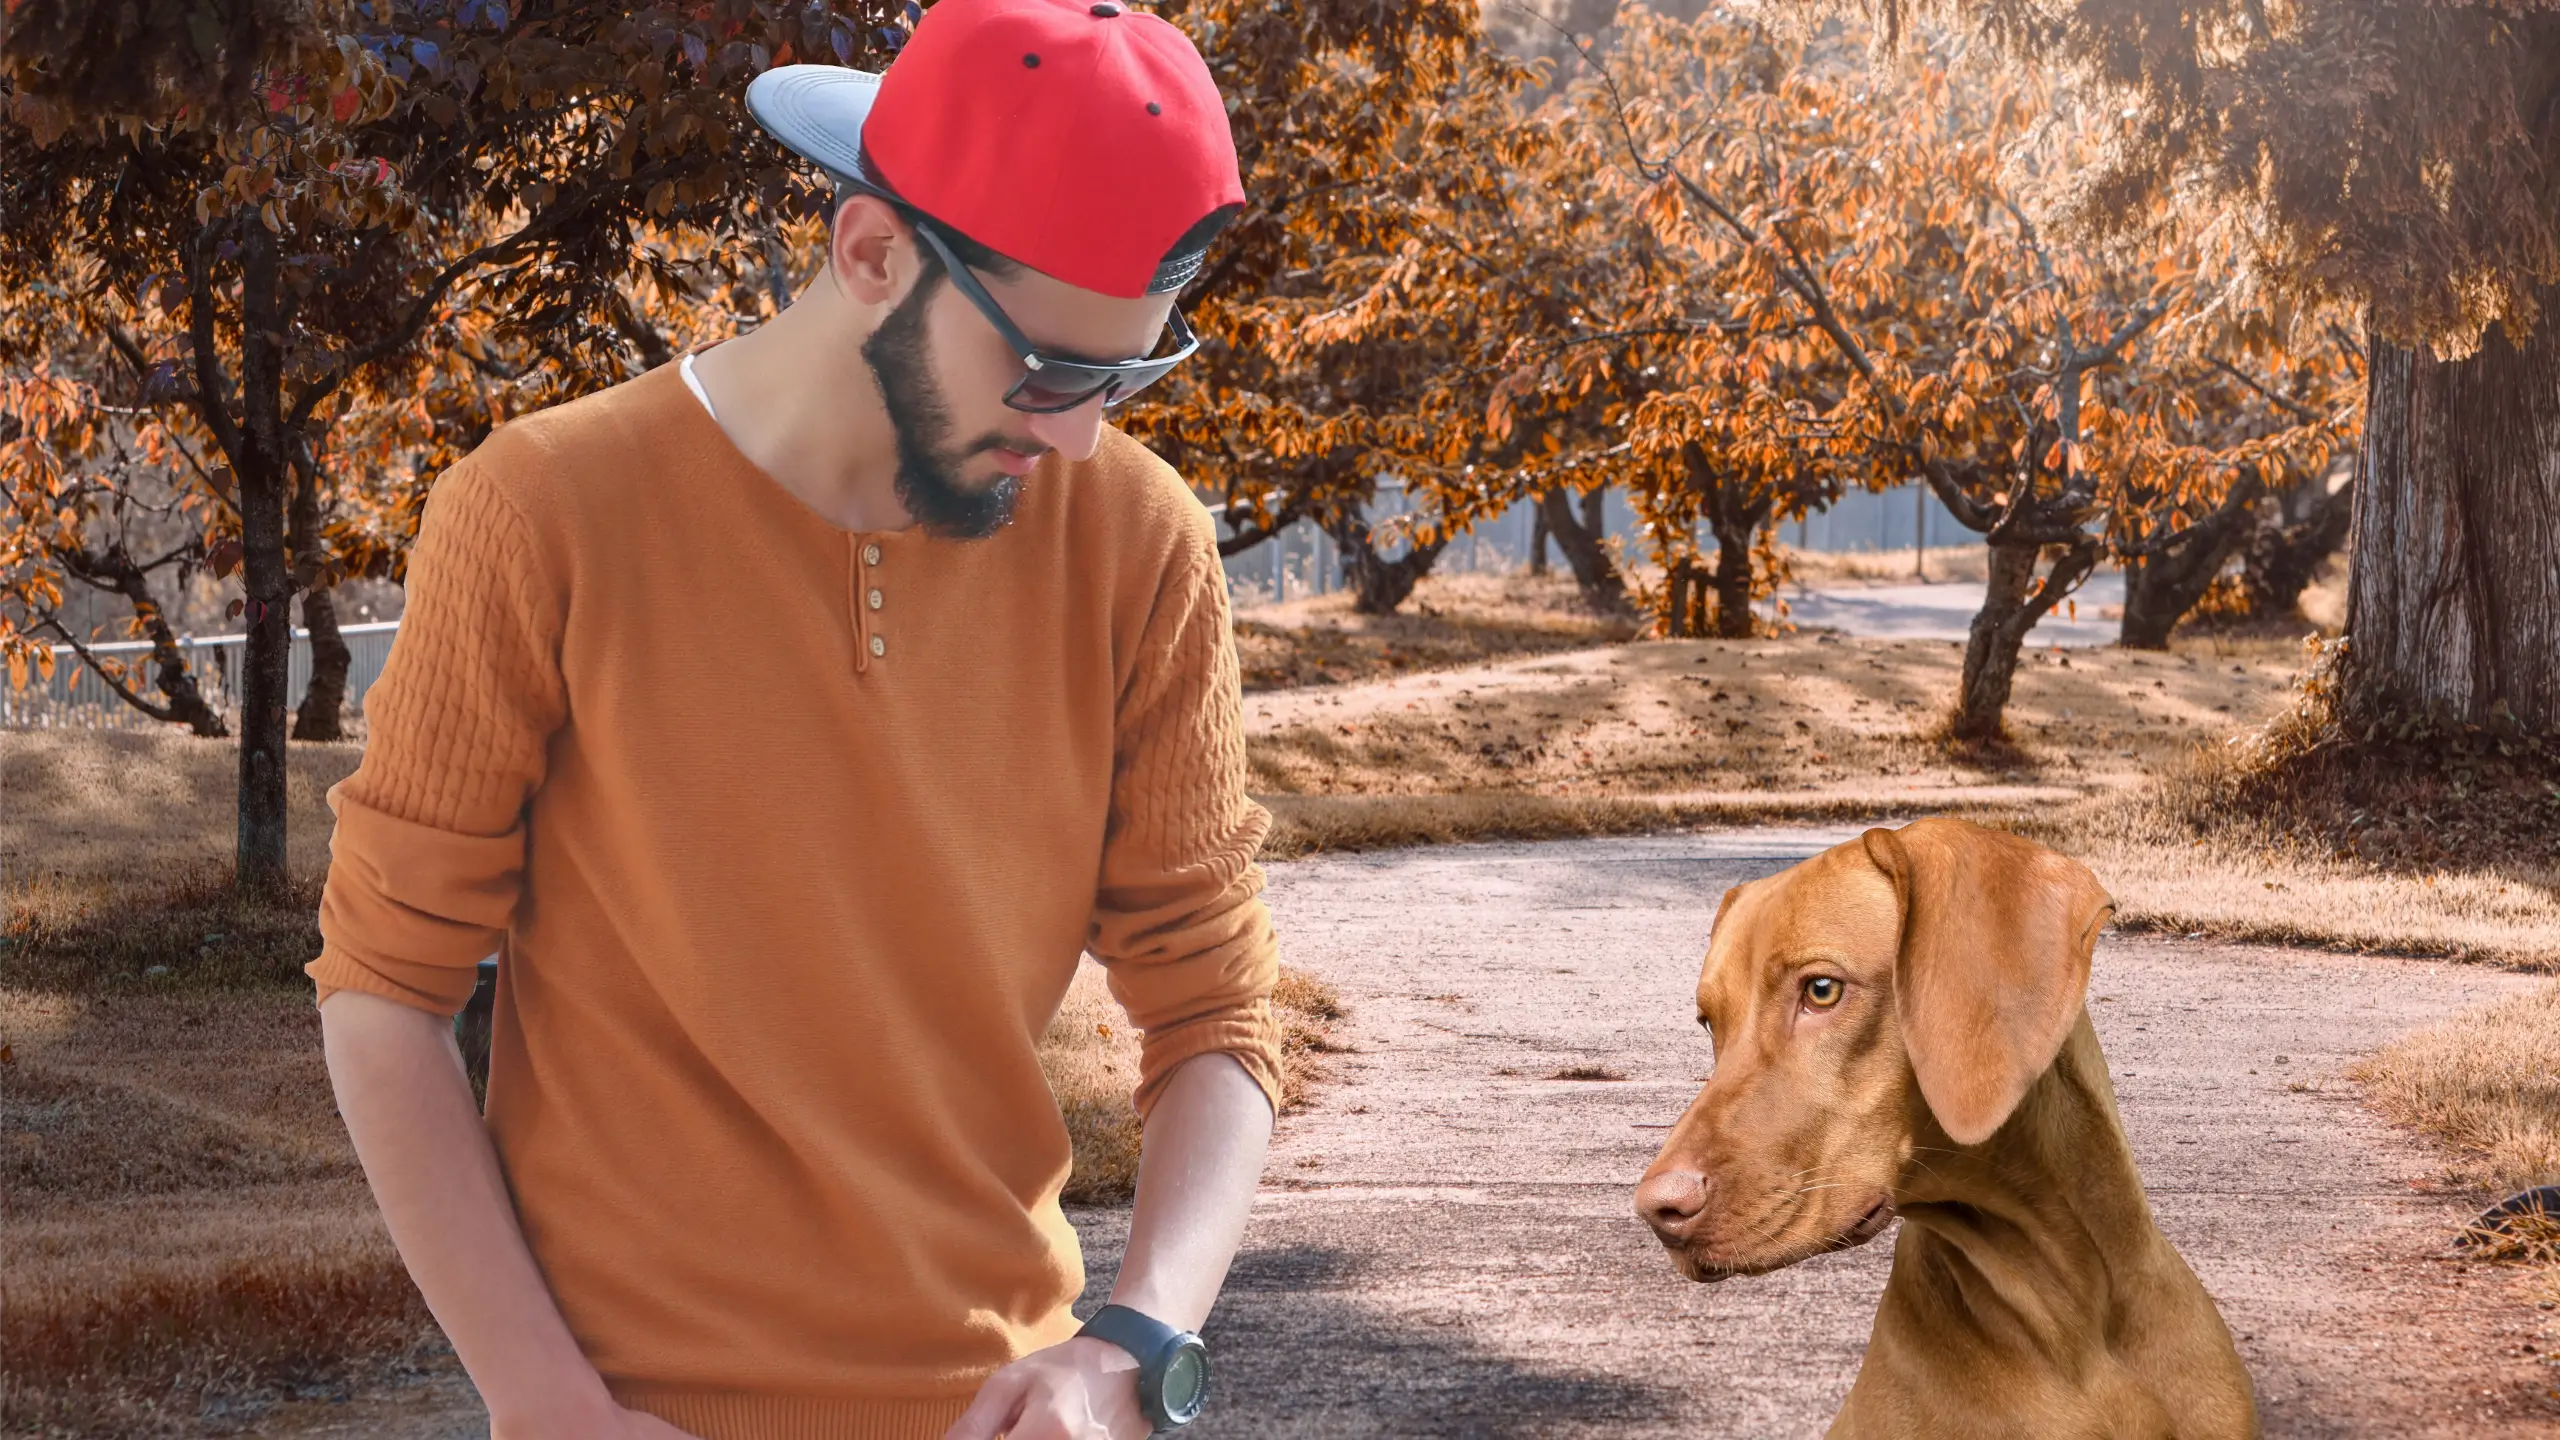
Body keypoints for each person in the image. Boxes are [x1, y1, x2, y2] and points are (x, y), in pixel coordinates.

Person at [307, 2, 1282, 1437]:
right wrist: (543, 1404)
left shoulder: (1137, 541)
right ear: (876, 253)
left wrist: (1132, 1340)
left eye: (1122, 374)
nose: (1079, 435)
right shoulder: (541, 515)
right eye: (1052, 371)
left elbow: (1215, 1007)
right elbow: (385, 992)